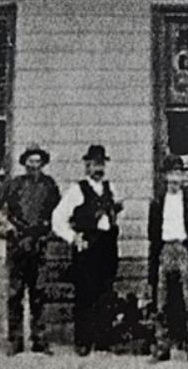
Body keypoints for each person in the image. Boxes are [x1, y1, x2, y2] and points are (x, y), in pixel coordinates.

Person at [52, 144, 124, 356]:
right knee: (85, 294)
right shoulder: (77, 190)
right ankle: (83, 340)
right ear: (87, 166)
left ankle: (102, 339)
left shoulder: (112, 189)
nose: (98, 169)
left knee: (105, 291)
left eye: (101, 164)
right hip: (87, 248)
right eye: (94, 164)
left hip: (107, 247)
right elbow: (57, 219)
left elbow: (118, 213)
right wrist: (74, 238)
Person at [0, 142, 61, 355]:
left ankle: (39, 339)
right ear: (24, 163)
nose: (34, 165)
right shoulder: (13, 184)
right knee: (15, 293)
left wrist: (47, 231)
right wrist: (7, 224)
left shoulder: (50, 185)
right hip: (17, 244)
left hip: (39, 243)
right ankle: (15, 340)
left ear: (42, 163)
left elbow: (57, 212)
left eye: (38, 161)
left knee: (39, 292)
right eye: (30, 161)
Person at [148, 154, 188, 365]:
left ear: (183, 177)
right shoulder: (157, 201)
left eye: (178, 174)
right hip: (164, 250)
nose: (174, 179)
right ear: (165, 177)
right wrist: (153, 262)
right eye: (171, 174)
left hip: (183, 250)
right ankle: (162, 346)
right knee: (161, 301)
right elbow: (152, 234)